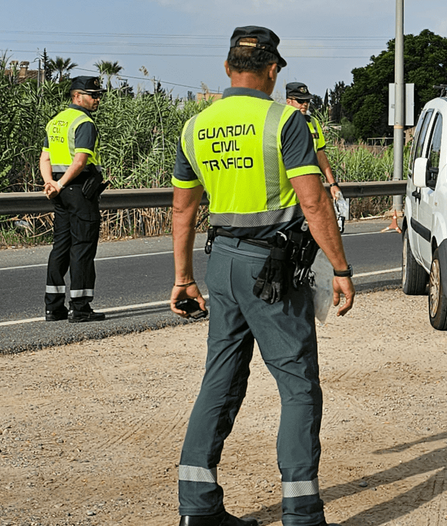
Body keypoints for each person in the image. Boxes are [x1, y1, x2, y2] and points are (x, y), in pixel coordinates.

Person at [169, 26, 355, 526]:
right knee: (298, 384)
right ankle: (301, 513)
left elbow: (182, 211)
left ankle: (197, 508)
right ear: (273, 70)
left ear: (227, 70)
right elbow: (313, 202)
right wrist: (339, 266)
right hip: (272, 267)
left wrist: (184, 278)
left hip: (222, 261)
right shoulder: (285, 122)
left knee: (220, 379)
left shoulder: (195, 127)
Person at [39, 75, 108, 323]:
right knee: (82, 248)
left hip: (60, 193)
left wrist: (51, 183)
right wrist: (61, 183)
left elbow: (44, 158)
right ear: (77, 96)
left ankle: (53, 308)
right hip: (79, 191)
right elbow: (80, 161)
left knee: (61, 247)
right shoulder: (84, 123)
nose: (98, 99)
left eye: (100, 95)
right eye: (93, 95)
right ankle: (80, 308)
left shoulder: (56, 121)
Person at [284, 82, 341, 201]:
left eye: (307, 101)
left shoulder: (313, 123)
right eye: (300, 101)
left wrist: (332, 184)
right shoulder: (280, 124)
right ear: (288, 101)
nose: (305, 104)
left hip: (311, 185)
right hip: (288, 188)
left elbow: (320, 155)